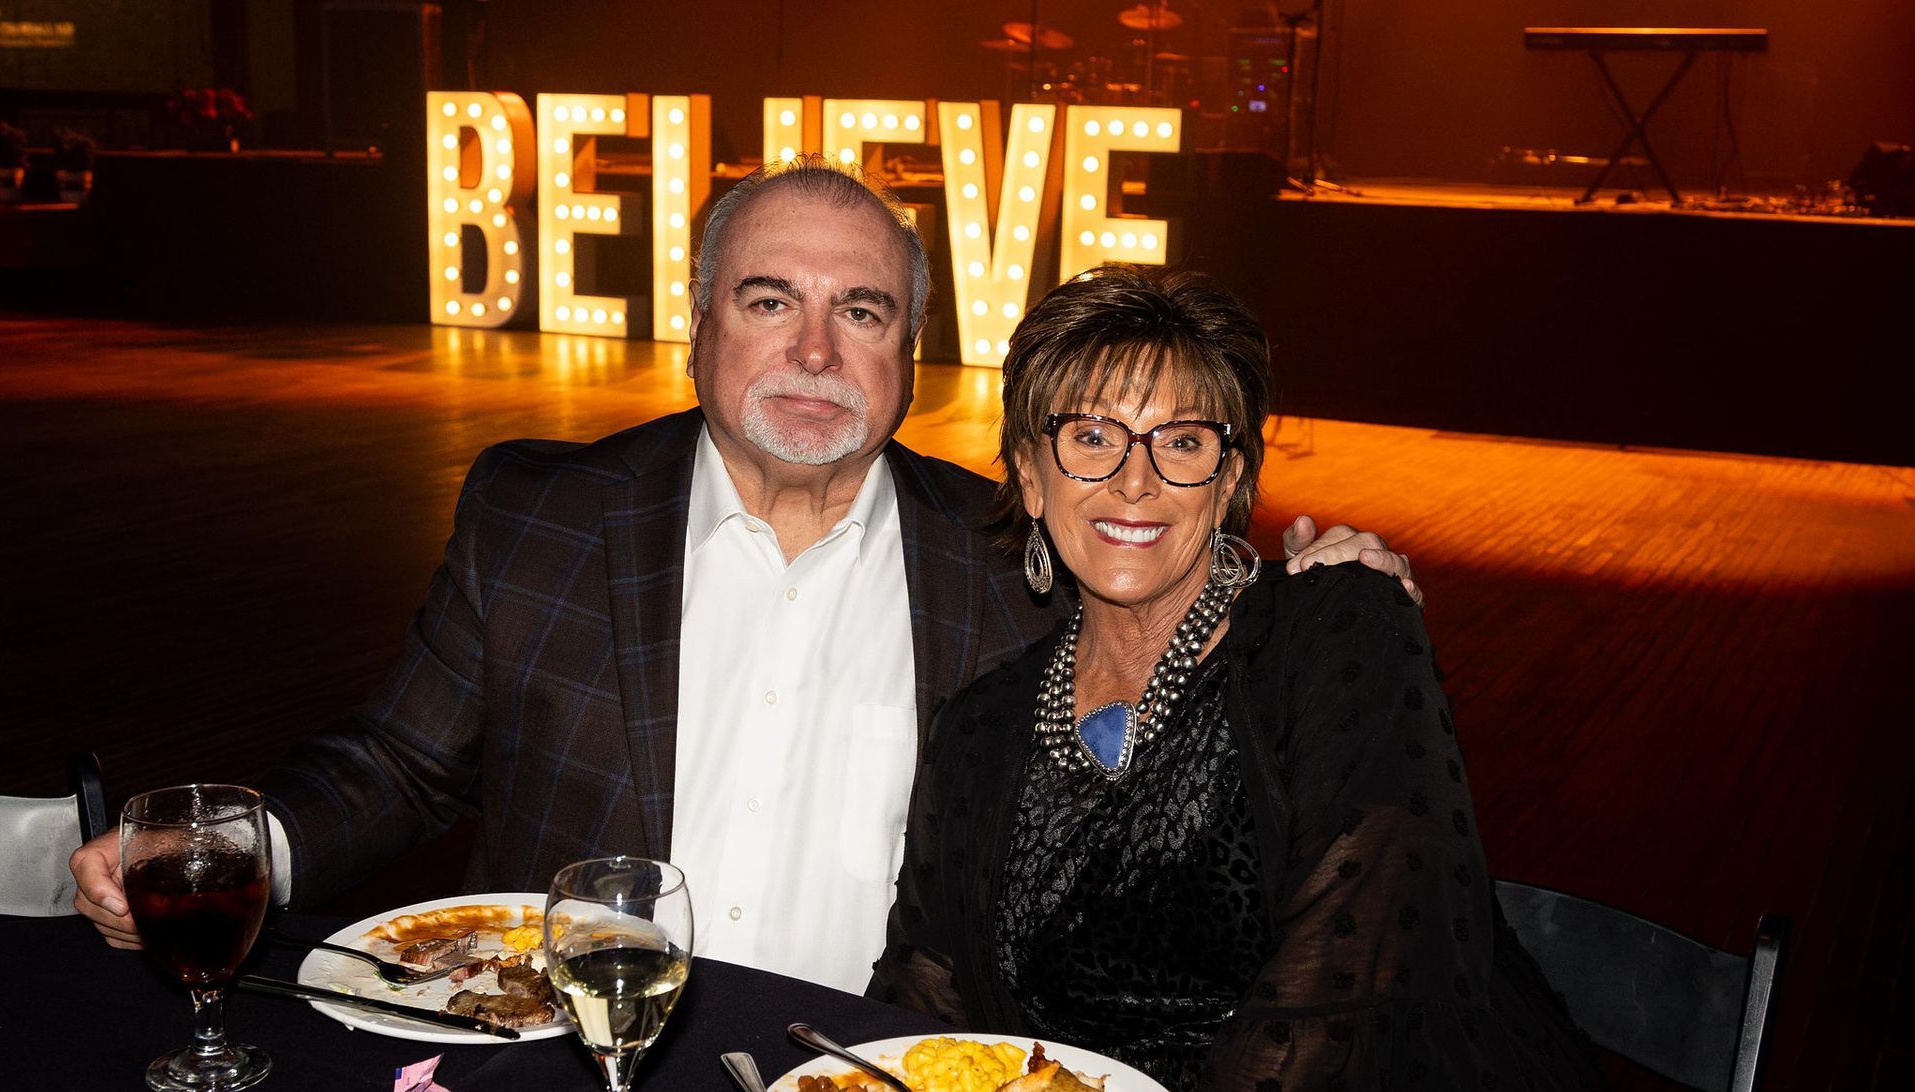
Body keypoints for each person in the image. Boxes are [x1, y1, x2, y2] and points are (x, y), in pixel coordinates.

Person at [69, 156, 1415, 994]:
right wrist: (229, 854)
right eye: (773, 302)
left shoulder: (1016, 555)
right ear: (699, 324)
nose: (818, 354)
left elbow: (1168, 567)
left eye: (863, 312)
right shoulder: (542, 516)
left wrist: (1308, 584)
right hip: (573, 1073)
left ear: (910, 349)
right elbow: (399, 765)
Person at [870, 265, 1707, 1092]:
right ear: (1031, 473)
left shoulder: (1337, 632)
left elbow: (1357, 963)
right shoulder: (981, 725)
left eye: (1182, 442)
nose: (1135, 482)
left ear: (1228, 482)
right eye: (1091, 437)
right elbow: (928, 985)